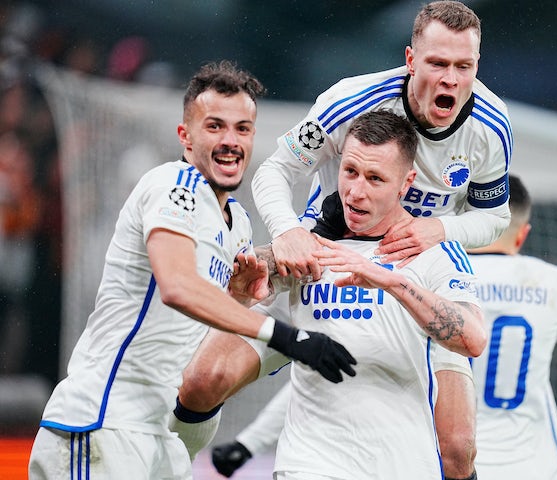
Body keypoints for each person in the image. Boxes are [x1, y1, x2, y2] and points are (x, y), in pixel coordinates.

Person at [175, 3, 511, 479]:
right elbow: (276, 169)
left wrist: (439, 228)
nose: (452, 79)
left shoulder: (492, 127)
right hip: (319, 257)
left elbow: (494, 215)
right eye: (438, 63)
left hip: (418, 272)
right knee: (203, 380)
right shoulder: (351, 99)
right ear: (412, 59)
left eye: (465, 66)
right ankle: (170, 469)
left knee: (457, 449)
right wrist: (290, 232)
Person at [27, 60, 356, 480]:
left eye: (242, 129)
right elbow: (178, 288)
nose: (230, 141)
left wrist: (235, 297)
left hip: (162, 437)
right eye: (214, 126)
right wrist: (288, 338)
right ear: (186, 136)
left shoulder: (236, 223)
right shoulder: (174, 185)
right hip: (103, 424)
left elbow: (195, 331)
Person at [278, 110, 486, 478]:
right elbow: (242, 298)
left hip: (400, 464)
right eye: (350, 172)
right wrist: (240, 289)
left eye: (375, 178)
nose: (356, 191)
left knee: (459, 447)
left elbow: (472, 338)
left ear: (406, 184)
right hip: (309, 463)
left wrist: (391, 281)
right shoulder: (307, 246)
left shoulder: (434, 253)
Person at [468, 174, 557, 479]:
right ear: (522, 235)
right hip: (536, 464)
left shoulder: (441, 278)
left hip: (457, 461)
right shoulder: (554, 282)